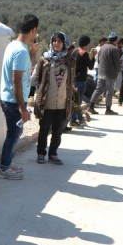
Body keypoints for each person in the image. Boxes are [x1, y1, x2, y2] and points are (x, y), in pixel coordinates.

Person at [0, 14, 39, 180]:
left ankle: (7, 163)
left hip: (9, 98)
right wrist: (22, 108)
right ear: (34, 30)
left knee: (15, 133)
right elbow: (17, 81)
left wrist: (33, 52)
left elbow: (24, 70)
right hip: (13, 101)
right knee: (13, 134)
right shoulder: (20, 51)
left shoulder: (14, 45)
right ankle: (4, 168)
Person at [34, 32, 74, 165]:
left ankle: (53, 153)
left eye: (59, 41)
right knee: (44, 130)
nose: (56, 44)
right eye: (54, 41)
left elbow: (70, 81)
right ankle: (41, 153)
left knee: (57, 132)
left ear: (65, 44)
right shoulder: (44, 60)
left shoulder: (70, 61)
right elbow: (36, 79)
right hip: (47, 102)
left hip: (62, 103)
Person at [88, 31, 121, 115]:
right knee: (109, 91)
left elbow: (98, 60)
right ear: (116, 40)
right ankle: (108, 109)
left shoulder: (102, 47)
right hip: (110, 73)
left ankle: (91, 107)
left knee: (98, 90)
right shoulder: (114, 49)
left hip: (101, 72)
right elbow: (117, 63)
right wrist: (117, 70)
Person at [70, 35, 96, 128]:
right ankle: (73, 120)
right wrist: (93, 57)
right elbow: (91, 66)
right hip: (81, 80)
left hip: (74, 79)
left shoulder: (75, 51)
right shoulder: (84, 53)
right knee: (78, 101)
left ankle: (80, 119)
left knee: (75, 100)